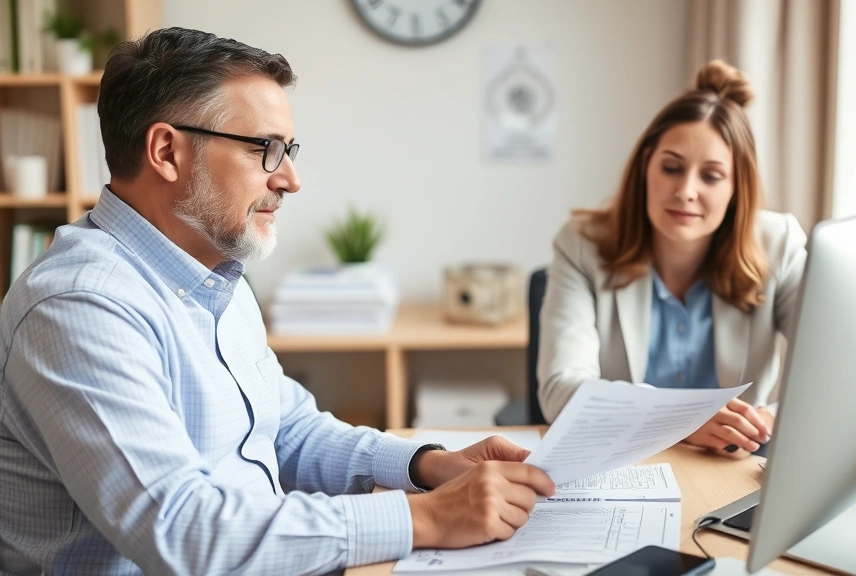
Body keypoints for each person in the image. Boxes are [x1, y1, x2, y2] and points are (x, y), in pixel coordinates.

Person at [0, 27, 554, 576]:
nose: (291, 179)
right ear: (166, 151)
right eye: (265, 149)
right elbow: (181, 529)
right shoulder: (78, 307)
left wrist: (426, 465)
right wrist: (424, 518)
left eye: (288, 150)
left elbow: (284, 428)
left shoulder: (217, 275)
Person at [538, 60, 807, 457]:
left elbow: (835, 368)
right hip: (623, 464)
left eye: (711, 176)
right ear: (646, 167)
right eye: (671, 168)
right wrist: (683, 421)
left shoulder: (777, 244)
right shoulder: (581, 246)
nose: (685, 191)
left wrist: (766, 420)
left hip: (733, 467)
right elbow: (560, 390)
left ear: (737, 188)